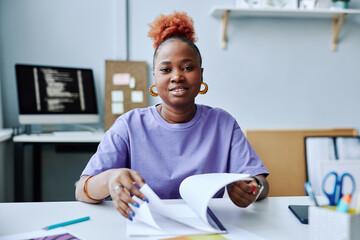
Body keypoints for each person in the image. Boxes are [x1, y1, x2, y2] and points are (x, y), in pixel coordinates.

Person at [75, 11, 269, 222]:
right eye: (166, 69)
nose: (177, 76)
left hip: (207, 226)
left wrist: (253, 188)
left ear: (201, 74)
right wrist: (110, 179)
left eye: (187, 67)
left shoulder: (223, 123)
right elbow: (81, 190)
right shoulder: (129, 125)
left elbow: (261, 182)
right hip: (143, 227)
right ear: (155, 77)